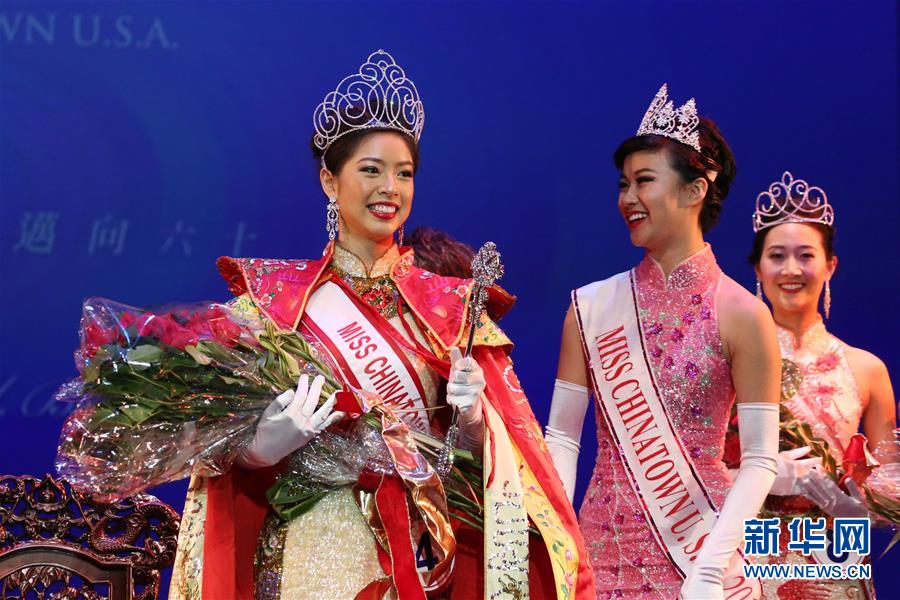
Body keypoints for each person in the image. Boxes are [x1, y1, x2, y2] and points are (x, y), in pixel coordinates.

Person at [169, 50, 593, 600]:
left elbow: (499, 463)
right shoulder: (275, 304)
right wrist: (261, 447)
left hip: (423, 548)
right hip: (308, 556)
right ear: (330, 181)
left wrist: (472, 421)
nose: (390, 187)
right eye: (371, 170)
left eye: (404, 173)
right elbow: (213, 451)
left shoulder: (449, 307)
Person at [544, 84, 780, 599]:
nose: (627, 198)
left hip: (704, 546)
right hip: (603, 549)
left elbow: (761, 458)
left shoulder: (744, 314)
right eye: (623, 184)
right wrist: (557, 543)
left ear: (695, 191)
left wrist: (712, 568)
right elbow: (562, 438)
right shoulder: (591, 306)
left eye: (644, 181)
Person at [745, 171, 897, 599]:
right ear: (758, 268)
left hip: (839, 559)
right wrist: (758, 476)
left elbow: (892, 482)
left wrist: (860, 510)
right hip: (751, 561)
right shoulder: (733, 364)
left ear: (830, 265)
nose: (791, 270)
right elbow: (697, 469)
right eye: (777, 256)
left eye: (806, 256)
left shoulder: (867, 369)